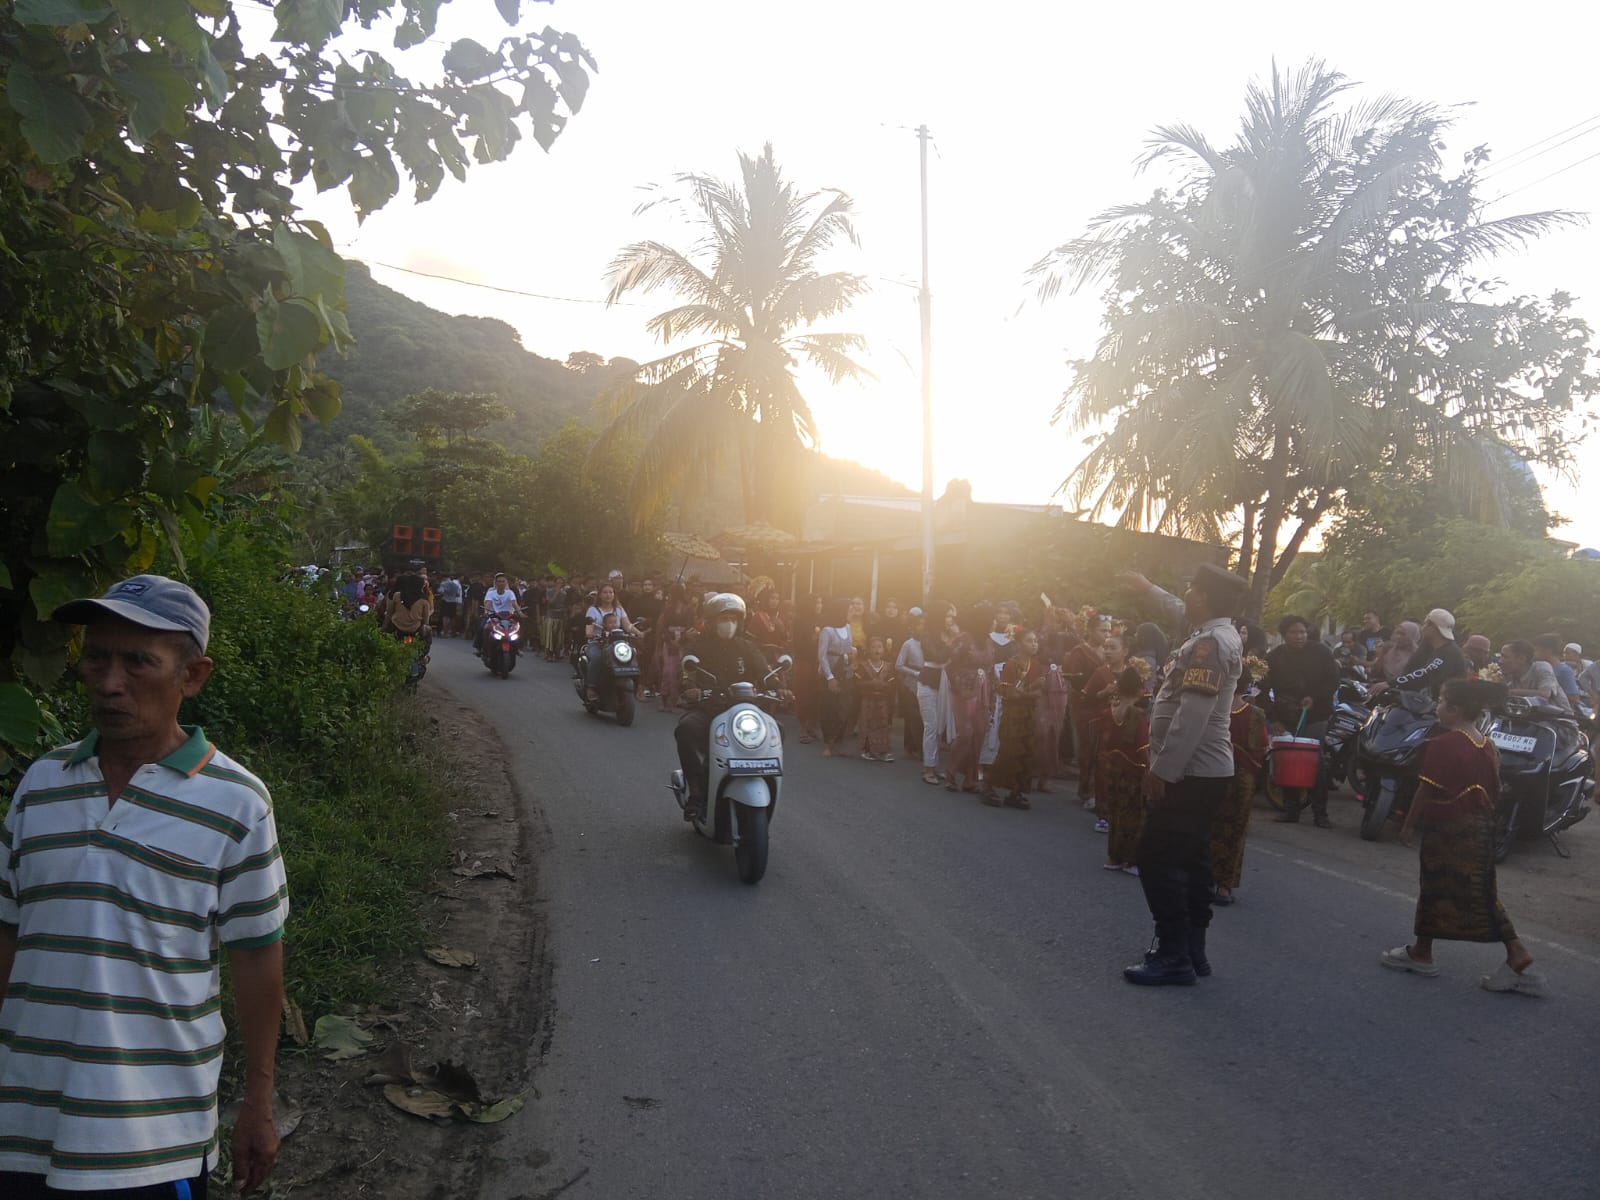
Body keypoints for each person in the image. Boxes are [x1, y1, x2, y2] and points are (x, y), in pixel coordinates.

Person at [0, 575, 288, 1197]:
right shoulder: (41, 782)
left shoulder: (237, 803)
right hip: (21, 1124)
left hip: (153, 1139)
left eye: (138, 661)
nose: (109, 682)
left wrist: (258, 1100)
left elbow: (256, 955)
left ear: (192, 676)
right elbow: (7, 930)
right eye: (96, 657)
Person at [1116, 564, 1247, 986]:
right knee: (1192, 858)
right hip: (1202, 770)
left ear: (1203, 597)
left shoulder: (1210, 643)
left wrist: (1162, 771)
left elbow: (1193, 715)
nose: (1185, 594)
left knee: (1157, 857)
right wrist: (1147, 586)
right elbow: (1175, 608)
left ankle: (1173, 954)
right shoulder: (1213, 632)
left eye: (1191, 588)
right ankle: (1192, 948)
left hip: (1191, 771)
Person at [1380, 678, 1543, 995]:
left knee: (1434, 887)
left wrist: (1408, 825)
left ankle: (1426, 954)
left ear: (1454, 710)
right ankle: (1431, 950)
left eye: (1441, 701)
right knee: (1479, 889)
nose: (1437, 706)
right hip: (1479, 828)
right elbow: (1495, 792)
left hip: (1447, 828)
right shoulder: (1487, 745)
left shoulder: (1443, 744)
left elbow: (1425, 790)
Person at [675, 594, 780, 821]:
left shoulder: (747, 647)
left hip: (745, 713)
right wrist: (690, 687)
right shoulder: (698, 647)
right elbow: (687, 673)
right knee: (685, 730)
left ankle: (765, 779)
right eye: (724, 618)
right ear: (712, 621)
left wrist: (779, 687)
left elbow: (765, 673)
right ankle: (696, 791)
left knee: (777, 730)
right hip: (709, 710)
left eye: (733, 619)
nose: (729, 623)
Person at [1264, 613, 1341, 827]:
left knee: (1316, 763)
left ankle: (1320, 814)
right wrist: (1274, 719)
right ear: (1283, 635)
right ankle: (1291, 810)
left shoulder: (1321, 652)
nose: (1299, 636)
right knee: (1288, 762)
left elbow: (1333, 680)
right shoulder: (1274, 658)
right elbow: (1262, 690)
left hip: (1316, 717)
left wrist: (1314, 697)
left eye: (1303, 632)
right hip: (1286, 718)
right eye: (1294, 632)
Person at [1212, 688, 1269, 904]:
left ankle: (1201, 878)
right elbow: (1262, 748)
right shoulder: (1255, 714)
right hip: (1241, 779)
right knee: (1235, 831)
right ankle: (1223, 887)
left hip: (1212, 773)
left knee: (1209, 826)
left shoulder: (1213, 708)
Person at [986, 627, 1045, 809]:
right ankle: (988, 786)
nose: (1034, 644)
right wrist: (1030, 688)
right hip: (1013, 715)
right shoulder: (1011, 665)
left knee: (1027, 752)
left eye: (1035, 641)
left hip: (1029, 713)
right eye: (1029, 641)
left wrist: (1024, 691)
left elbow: (1039, 693)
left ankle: (1016, 791)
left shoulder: (1036, 665)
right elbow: (1011, 694)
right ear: (1019, 644)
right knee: (1009, 752)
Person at [1098, 666, 1148, 873]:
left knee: (1116, 814)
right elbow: (1143, 748)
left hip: (1112, 768)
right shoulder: (1137, 715)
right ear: (1138, 690)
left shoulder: (1108, 712)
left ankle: (1113, 857)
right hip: (1132, 771)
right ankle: (1131, 860)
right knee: (1134, 816)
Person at [1370, 609, 1467, 699]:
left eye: (1426, 624)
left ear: (1435, 628)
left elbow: (1425, 673)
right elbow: (1412, 667)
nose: (1423, 627)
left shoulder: (1449, 652)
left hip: (1448, 706)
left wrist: (1391, 684)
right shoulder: (1432, 647)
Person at [897, 611, 945, 784]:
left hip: (934, 681)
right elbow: (899, 665)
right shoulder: (910, 643)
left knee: (934, 725)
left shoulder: (938, 639)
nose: (921, 627)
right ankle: (924, 761)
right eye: (919, 624)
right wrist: (917, 673)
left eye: (924, 624)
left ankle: (932, 763)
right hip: (917, 682)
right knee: (920, 721)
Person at [582, 583, 639, 702]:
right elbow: (589, 628)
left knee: (632, 653)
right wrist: (591, 634)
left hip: (617, 644)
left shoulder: (619, 609)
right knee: (597, 658)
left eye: (611, 592)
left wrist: (640, 633)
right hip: (597, 643)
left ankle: (638, 687)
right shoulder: (593, 610)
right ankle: (591, 687)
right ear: (600, 595)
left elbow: (627, 625)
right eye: (605, 592)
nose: (608, 595)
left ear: (614, 594)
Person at [817, 599, 856, 758]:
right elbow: (822, 655)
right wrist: (830, 677)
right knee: (829, 709)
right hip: (830, 674)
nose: (852, 613)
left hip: (845, 673)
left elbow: (849, 648)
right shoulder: (827, 631)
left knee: (844, 708)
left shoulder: (848, 627)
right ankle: (828, 744)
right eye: (850, 610)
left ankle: (838, 742)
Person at [1500, 638, 1570, 711]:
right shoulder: (1509, 674)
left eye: (1505, 657)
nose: (1500, 661)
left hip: (1560, 716)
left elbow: (1545, 694)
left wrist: (1510, 692)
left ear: (1521, 658)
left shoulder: (1542, 667)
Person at [856, 636, 896, 762]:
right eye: (873, 647)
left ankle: (882, 751)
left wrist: (883, 685)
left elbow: (892, 684)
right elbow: (857, 683)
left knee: (882, 723)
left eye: (879, 647)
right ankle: (867, 750)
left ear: (883, 650)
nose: (876, 650)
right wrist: (871, 684)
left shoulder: (889, 666)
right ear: (868, 650)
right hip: (868, 700)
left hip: (883, 701)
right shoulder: (863, 666)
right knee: (868, 723)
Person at [475, 572, 523, 654]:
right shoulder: (490, 592)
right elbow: (488, 603)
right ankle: (481, 648)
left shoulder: (510, 593)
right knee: (483, 627)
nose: (501, 583)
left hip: (508, 617)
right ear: (495, 582)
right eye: (499, 581)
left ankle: (518, 648)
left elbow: (514, 603)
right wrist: (486, 612)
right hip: (493, 616)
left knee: (518, 627)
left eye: (503, 581)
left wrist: (520, 613)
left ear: (506, 582)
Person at [1535, 633, 1584, 709]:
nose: (1535, 653)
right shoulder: (1539, 668)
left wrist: (1551, 694)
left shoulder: (1564, 671)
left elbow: (1574, 697)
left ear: (1548, 651)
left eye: (1537, 650)